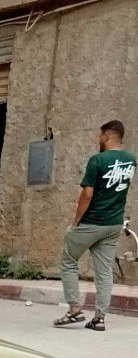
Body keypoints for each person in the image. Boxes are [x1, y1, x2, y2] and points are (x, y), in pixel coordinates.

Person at [54, 120, 136, 331]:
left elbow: (87, 193)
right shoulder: (131, 160)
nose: (99, 139)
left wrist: (76, 221)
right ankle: (99, 319)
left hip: (92, 221)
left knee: (69, 260)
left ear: (107, 136)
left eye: (100, 136)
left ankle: (74, 310)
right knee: (104, 271)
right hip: (113, 224)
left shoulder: (97, 160)